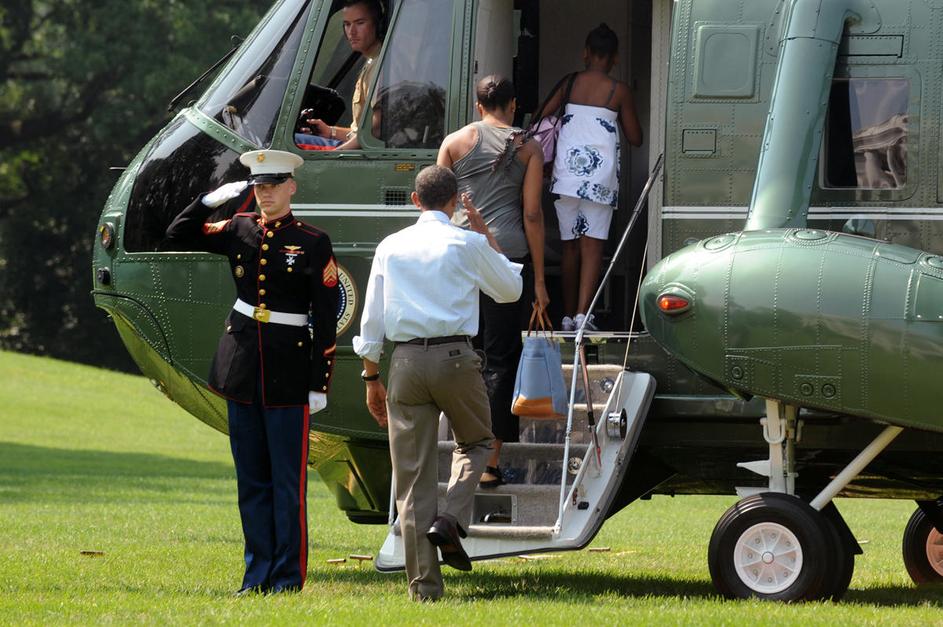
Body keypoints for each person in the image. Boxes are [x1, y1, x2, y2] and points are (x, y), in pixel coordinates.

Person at [164, 149, 339, 595]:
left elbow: (325, 317)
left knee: (286, 482)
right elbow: (177, 233)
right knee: (252, 481)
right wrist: (208, 201)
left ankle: (285, 578)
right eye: (259, 186)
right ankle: (255, 575)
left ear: (292, 187)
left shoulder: (314, 242)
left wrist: (319, 382)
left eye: (274, 185)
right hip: (241, 369)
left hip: (288, 371)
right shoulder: (238, 228)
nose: (266, 194)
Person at [353, 165, 522, 601]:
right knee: (478, 442)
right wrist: (486, 236)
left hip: (405, 362)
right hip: (455, 358)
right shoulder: (466, 242)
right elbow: (510, 290)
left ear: (414, 200)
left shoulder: (391, 246)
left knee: (412, 481)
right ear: (454, 203)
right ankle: (449, 518)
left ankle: (424, 589)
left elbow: (371, 319)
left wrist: (372, 376)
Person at [437, 75, 548, 489]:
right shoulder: (529, 147)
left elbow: (438, 203)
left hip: (461, 257)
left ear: (477, 103)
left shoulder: (453, 142)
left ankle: (462, 448)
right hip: (506, 258)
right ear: (513, 104)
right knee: (502, 359)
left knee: (464, 352)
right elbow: (532, 214)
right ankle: (490, 460)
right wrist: (539, 279)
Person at [538, 23, 643, 331]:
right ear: (615, 58)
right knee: (593, 245)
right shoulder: (618, 90)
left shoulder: (569, 83)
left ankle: (568, 315)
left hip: (567, 173)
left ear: (585, 53)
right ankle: (585, 316)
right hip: (600, 176)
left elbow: (541, 115)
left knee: (569, 244)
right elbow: (636, 137)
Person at [295, 0, 384, 150]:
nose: (352, 32)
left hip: (363, 156)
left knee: (294, 142)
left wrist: (336, 154)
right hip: (359, 150)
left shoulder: (380, 66)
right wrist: (330, 132)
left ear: (378, 25)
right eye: (347, 24)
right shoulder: (372, 62)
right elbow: (360, 135)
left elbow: (375, 131)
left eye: (360, 23)